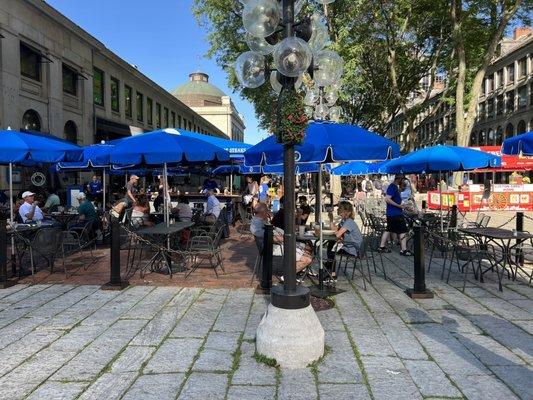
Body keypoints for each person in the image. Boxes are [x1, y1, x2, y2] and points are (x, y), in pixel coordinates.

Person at [250, 203, 311, 274]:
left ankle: (298, 269)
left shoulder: (262, 221)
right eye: (267, 210)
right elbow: (272, 238)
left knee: (308, 248)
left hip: (280, 243)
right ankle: (287, 277)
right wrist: (285, 237)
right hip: (274, 247)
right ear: (263, 212)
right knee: (307, 259)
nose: (268, 212)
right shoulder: (257, 224)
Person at [326, 201, 364, 280]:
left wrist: (339, 237)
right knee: (331, 244)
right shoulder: (344, 221)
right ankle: (329, 267)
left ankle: (332, 273)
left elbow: (337, 235)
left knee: (332, 248)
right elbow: (335, 230)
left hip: (354, 249)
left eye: (340, 209)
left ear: (347, 212)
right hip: (349, 246)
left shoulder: (349, 222)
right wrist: (331, 219)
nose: (338, 210)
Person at [378, 175, 413, 256]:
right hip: (395, 214)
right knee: (403, 231)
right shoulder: (393, 187)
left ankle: (381, 247)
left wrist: (405, 206)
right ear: (399, 179)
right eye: (402, 180)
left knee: (388, 229)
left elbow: (397, 200)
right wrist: (399, 206)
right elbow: (387, 199)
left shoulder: (395, 187)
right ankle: (403, 250)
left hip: (392, 213)